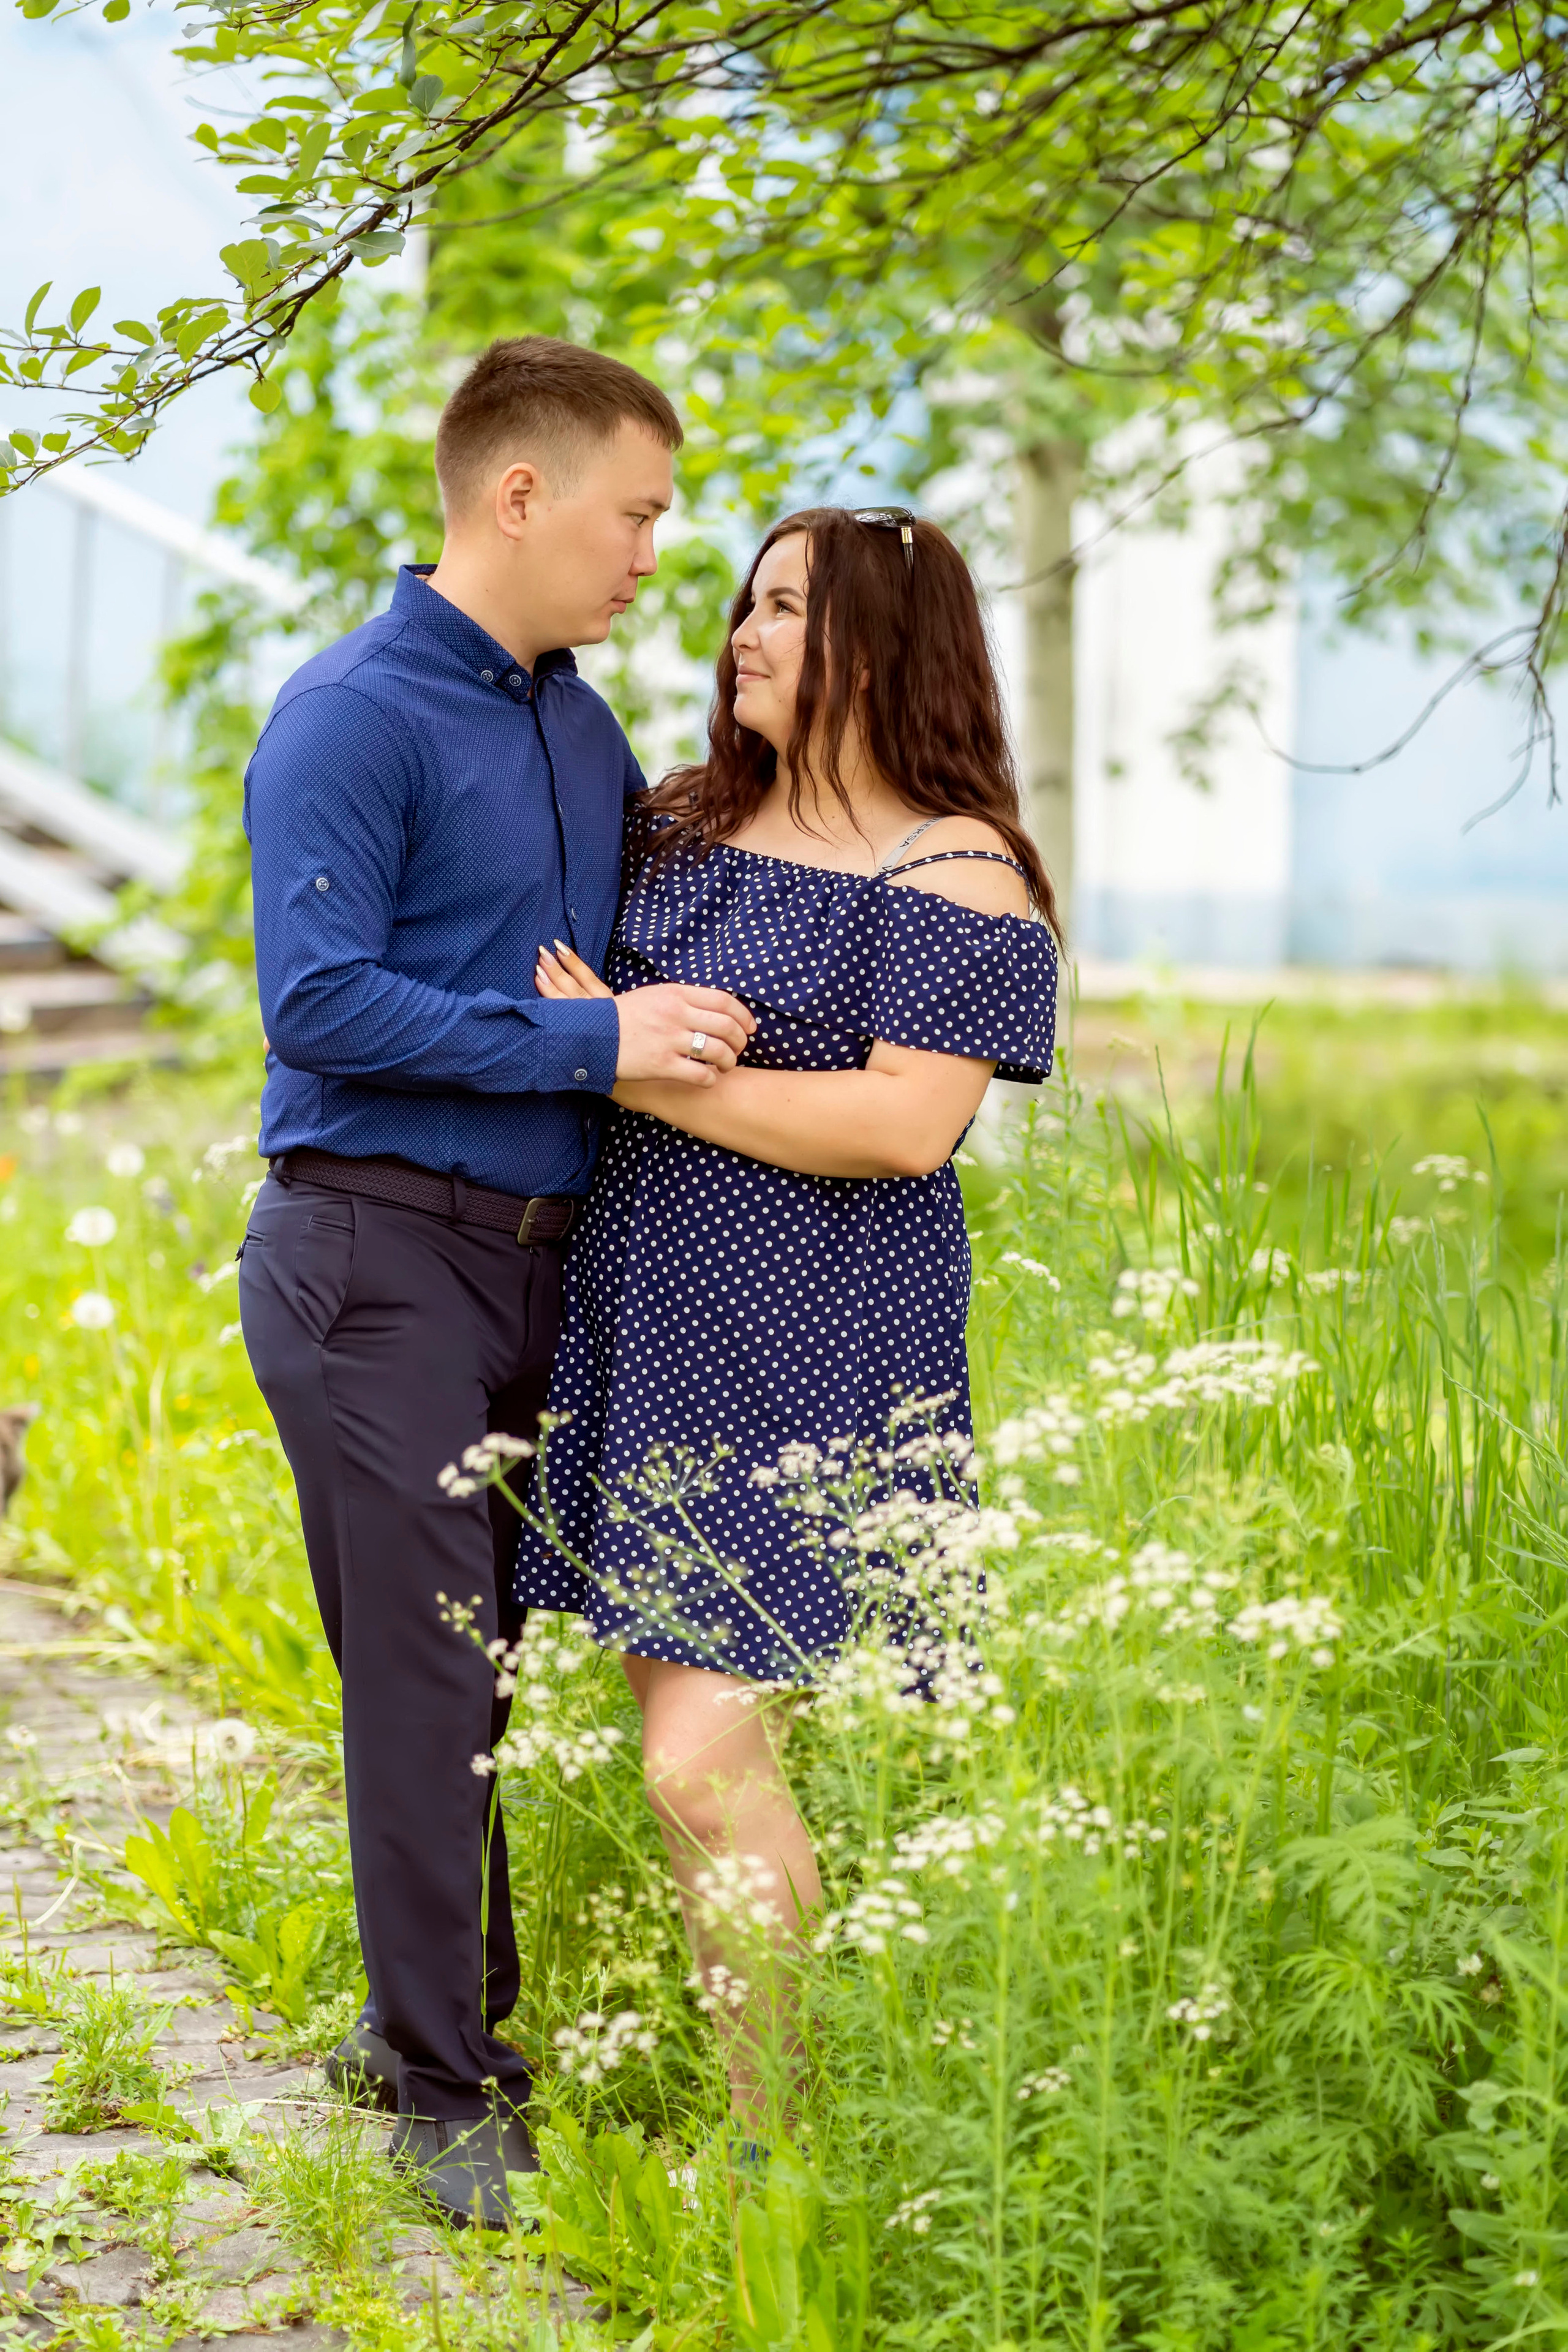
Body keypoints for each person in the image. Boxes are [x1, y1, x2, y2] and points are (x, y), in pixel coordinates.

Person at [237, 336, 756, 2228]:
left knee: (486, 1670)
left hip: (547, 1264)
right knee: (433, 1681)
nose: (649, 556)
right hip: (370, 1257)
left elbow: (633, 951)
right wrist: (589, 1047)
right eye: (635, 513)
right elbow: (318, 1004)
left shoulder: (578, 724)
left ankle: (421, 2026)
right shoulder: (350, 716)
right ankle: (450, 2087)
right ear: (518, 496)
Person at [516, 505, 1060, 2149]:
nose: (741, 634)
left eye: (787, 610)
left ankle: (777, 2152)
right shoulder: (680, 824)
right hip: (646, 1319)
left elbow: (906, 1128)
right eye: (744, 603)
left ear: (886, 649)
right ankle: (778, 2118)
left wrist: (643, 1062)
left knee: (703, 1761)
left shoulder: (957, 863)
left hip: (818, 1345)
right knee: (688, 1753)